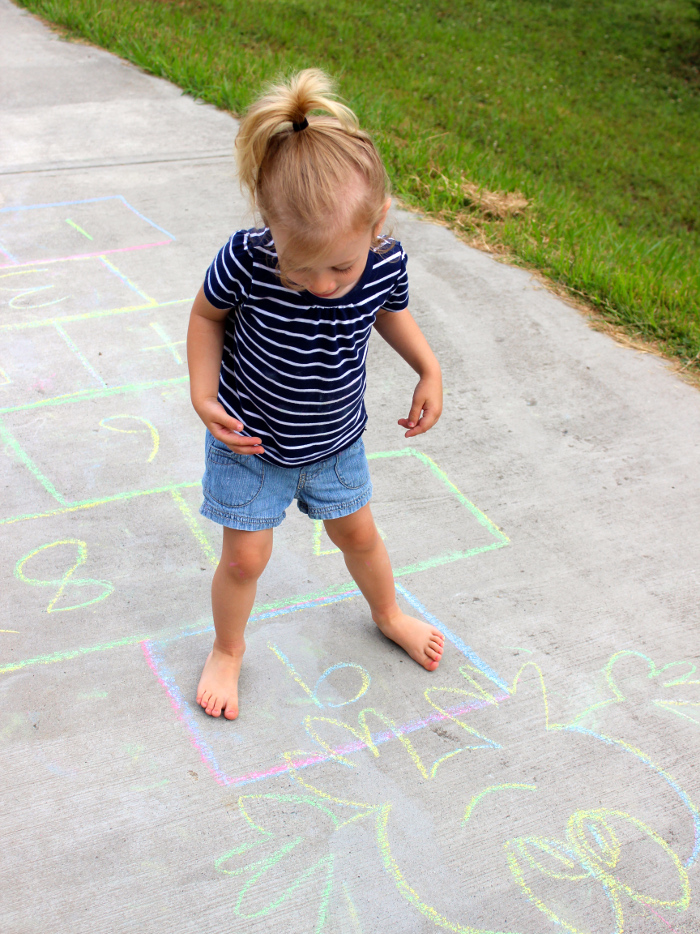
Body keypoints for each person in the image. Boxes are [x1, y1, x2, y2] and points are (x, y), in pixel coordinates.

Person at [187, 69, 444, 720]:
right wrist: (201, 391)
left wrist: (428, 368)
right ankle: (228, 648)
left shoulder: (382, 261)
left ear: (377, 222)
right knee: (245, 560)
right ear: (270, 226)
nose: (325, 284)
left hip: (334, 444)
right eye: (301, 268)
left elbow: (390, 311)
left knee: (359, 536)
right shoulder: (248, 257)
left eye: (339, 266)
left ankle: (387, 614)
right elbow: (206, 316)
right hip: (251, 443)